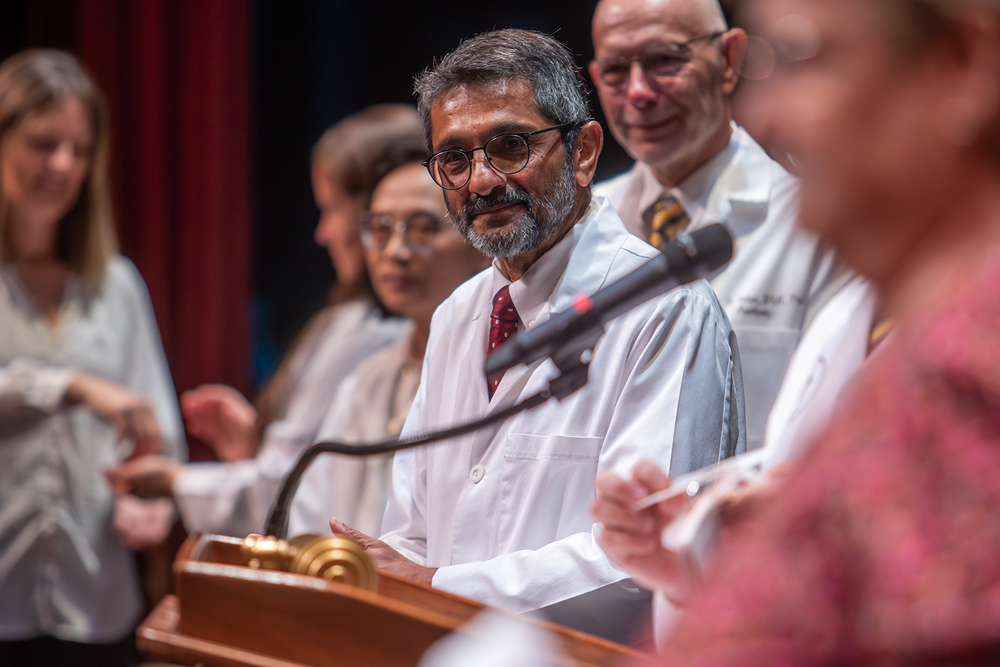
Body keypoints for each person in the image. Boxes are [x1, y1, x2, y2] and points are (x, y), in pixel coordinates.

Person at [594, 0, 1000, 662]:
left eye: (808, 58)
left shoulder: (971, 363)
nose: (763, 114)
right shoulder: (886, 319)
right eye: (767, 70)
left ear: (962, 66)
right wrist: (704, 551)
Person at [326, 29, 745, 640]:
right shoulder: (456, 315)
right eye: (454, 158)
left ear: (583, 151)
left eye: (509, 145)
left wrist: (438, 584)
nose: (480, 180)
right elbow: (412, 529)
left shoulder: (665, 309)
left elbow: (648, 555)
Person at [107, 106, 424, 537]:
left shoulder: (376, 334)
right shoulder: (358, 338)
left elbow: (296, 495)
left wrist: (174, 482)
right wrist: (255, 447)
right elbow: (309, 488)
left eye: (332, 209)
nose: (323, 232)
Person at [591, 0, 848, 450]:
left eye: (665, 60)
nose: (638, 93)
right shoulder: (586, 222)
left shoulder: (817, 226)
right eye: (615, 70)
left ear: (730, 59)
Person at [0, 49, 184, 666]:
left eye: (79, 150)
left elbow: (155, 428)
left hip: (95, 598)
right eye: (43, 143)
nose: (63, 165)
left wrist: (150, 496)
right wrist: (70, 384)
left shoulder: (116, 284)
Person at [289, 162, 488, 537]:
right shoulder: (369, 380)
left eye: (424, 227)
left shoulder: (500, 369)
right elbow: (311, 521)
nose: (395, 250)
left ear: (477, 241)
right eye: (380, 229)